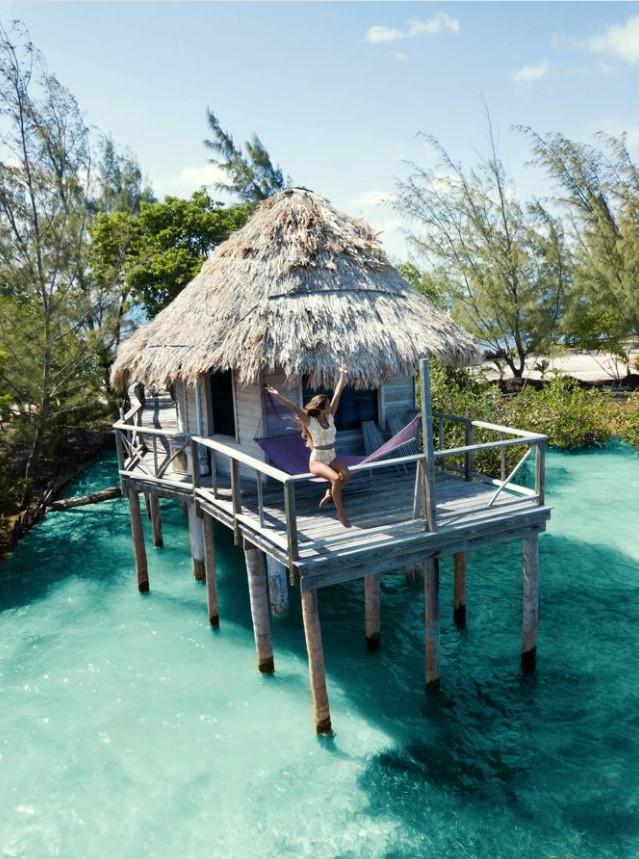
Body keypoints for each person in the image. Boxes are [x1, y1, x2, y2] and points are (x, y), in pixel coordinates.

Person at [265, 365, 352, 528]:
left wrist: (342, 375)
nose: (330, 406)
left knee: (347, 474)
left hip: (331, 456)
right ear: (321, 409)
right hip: (317, 460)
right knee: (335, 479)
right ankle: (340, 513)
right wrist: (277, 396)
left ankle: (330, 493)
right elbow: (294, 408)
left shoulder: (330, 416)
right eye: (326, 405)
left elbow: (338, 393)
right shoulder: (310, 421)